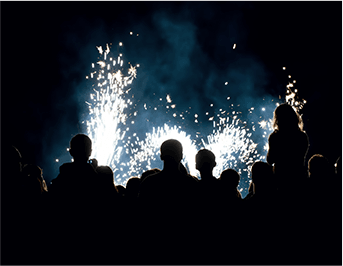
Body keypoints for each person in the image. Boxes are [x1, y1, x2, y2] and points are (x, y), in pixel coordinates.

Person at [267, 103, 309, 199]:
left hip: (281, 181)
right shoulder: (302, 136)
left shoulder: (275, 137)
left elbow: (270, 160)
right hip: (299, 179)